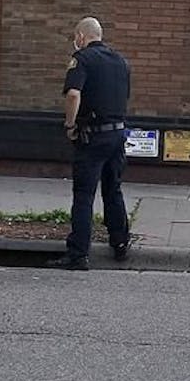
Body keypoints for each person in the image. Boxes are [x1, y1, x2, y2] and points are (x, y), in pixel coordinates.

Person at [54, 16, 132, 270]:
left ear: (80, 36)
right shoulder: (120, 61)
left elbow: (74, 94)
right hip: (118, 134)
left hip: (93, 136)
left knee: (84, 195)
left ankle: (78, 254)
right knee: (113, 190)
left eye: (75, 37)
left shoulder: (82, 59)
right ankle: (120, 243)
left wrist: (70, 124)